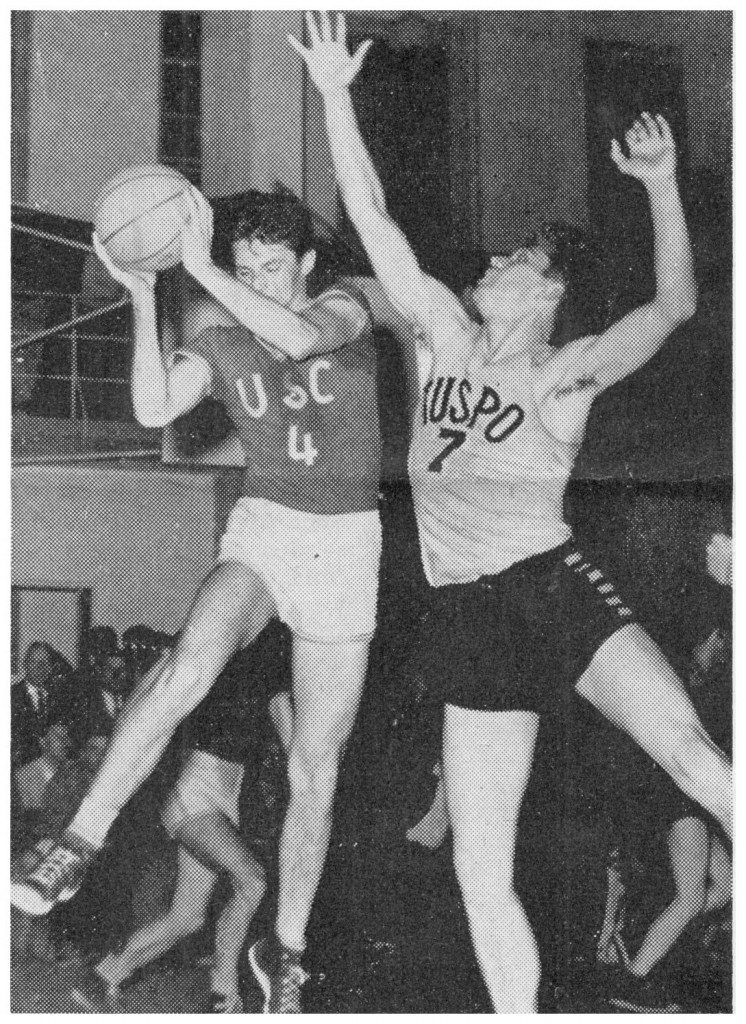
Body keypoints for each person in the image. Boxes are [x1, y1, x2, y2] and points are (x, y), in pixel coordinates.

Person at [290, 12, 731, 1011]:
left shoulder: (562, 375)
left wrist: (659, 186)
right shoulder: (441, 335)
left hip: (550, 586)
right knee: (477, 871)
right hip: (466, 614)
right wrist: (330, 95)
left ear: (549, 292)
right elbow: (376, 224)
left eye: (511, 263)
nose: (489, 266)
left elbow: (670, 310)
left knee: (696, 758)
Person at [12, 186, 383, 1013]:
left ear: (308, 265)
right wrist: (148, 297)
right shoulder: (217, 332)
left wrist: (207, 268)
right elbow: (152, 409)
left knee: (314, 767)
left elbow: (293, 336)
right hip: (266, 526)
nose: (260, 281)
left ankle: (285, 954)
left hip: (347, 542)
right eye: (246, 267)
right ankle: (77, 841)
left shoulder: (342, 305)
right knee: (188, 662)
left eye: (274, 267)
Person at [71, 621, 293, 1014]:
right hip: (197, 791)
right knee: (252, 880)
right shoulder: (269, 651)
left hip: (222, 794)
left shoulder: (228, 647)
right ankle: (223, 999)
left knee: (187, 916)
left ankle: (106, 974)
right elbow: (291, 736)